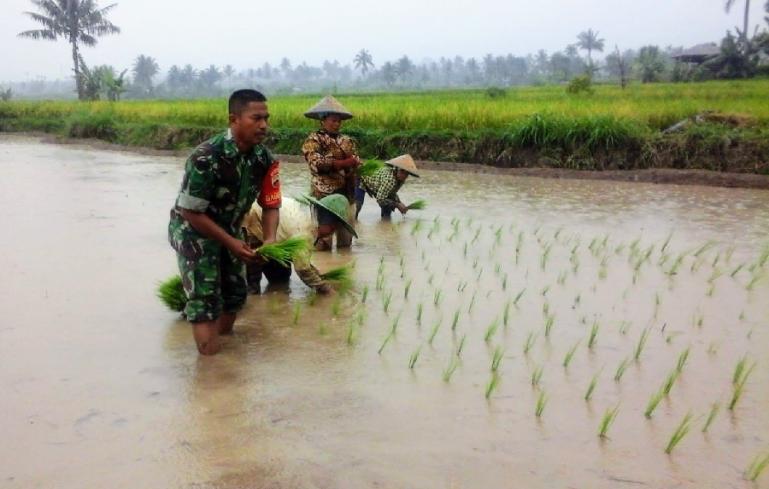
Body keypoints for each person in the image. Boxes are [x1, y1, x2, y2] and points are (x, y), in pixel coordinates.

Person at [167, 89, 280, 356]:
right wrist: (231, 243)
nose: (264, 125)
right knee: (205, 300)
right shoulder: (206, 157)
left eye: (266, 118)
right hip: (193, 232)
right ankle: (210, 367)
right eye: (256, 118)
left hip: (230, 229)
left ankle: (224, 355)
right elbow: (190, 211)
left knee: (235, 294)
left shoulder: (264, 159)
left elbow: (271, 204)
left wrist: (270, 240)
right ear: (234, 119)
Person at [241, 194, 358, 293]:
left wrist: (318, 275)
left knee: (281, 278)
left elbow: (302, 260)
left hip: (273, 224)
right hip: (253, 219)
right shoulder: (305, 230)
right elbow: (302, 268)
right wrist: (325, 289)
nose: (332, 233)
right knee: (254, 271)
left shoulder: (310, 213)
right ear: (328, 223)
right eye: (333, 229)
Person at [301, 95, 360, 250]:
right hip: (324, 195)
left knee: (345, 241)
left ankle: (344, 262)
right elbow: (316, 163)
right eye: (333, 120)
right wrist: (344, 163)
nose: (336, 124)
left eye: (339, 121)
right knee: (324, 239)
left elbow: (355, 161)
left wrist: (354, 165)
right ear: (323, 120)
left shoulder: (347, 141)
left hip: (346, 194)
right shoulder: (314, 140)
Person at [357, 154, 419, 219]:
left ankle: (385, 221)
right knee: (357, 205)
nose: (404, 175)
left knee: (387, 210)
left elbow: (391, 193)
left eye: (406, 173)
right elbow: (380, 199)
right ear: (396, 170)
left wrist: (399, 202)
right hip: (362, 180)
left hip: (377, 187)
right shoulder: (389, 180)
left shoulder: (400, 180)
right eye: (402, 171)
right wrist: (397, 205)